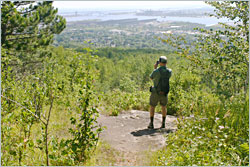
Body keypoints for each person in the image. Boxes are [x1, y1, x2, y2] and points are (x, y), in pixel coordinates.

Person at [148, 56, 172, 129]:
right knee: (164, 107)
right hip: (164, 92)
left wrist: (155, 68)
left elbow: (151, 77)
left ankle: (151, 124)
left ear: (159, 62)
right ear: (166, 63)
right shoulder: (169, 71)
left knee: (152, 106)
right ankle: (163, 124)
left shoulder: (156, 71)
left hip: (156, 92)